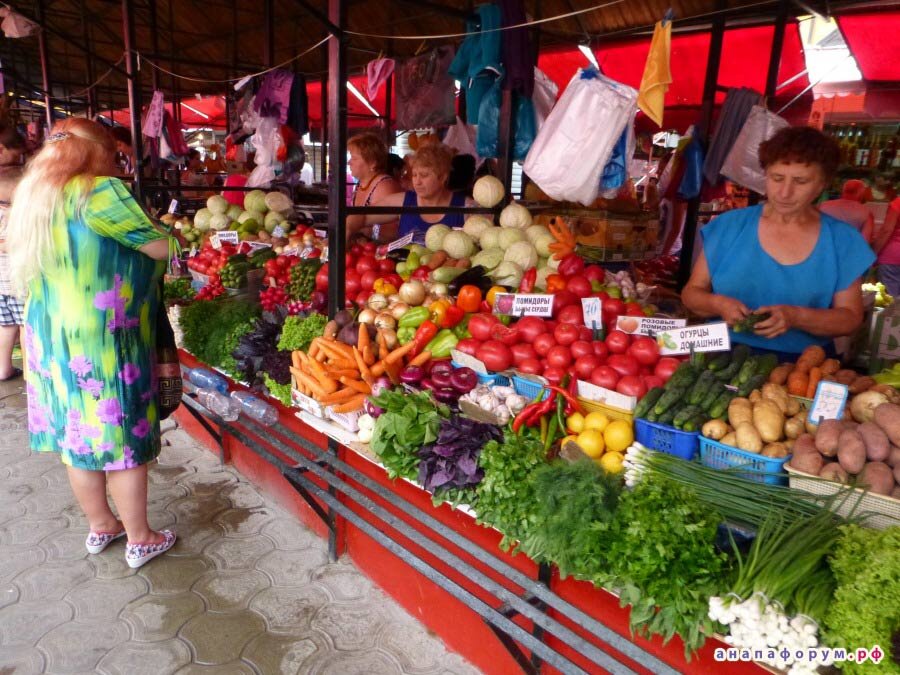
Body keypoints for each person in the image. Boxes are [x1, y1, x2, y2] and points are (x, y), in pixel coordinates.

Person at [7, 118, 176, 568]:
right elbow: (159, 247)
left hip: (50, 335)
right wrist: (172, 237)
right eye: (115, 155)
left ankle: (102, 526)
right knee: (120, 437)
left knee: (76, 433)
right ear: (98, 151)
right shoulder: (99, 191)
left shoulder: (34, 194)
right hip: (104, 337)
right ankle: (141, 537)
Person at [682, 126, 874, 360]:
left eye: (800, 181)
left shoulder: (842, 240)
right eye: (777, 178)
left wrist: (795, 317)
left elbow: (850, 318)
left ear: (822, 184)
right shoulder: (729, 226)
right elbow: (692, 294)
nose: (785, 192)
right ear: (766, 175)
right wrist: (718, 304)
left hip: (804, 365)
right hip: (721, 359)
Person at [368, 143, 468, 242]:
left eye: (424, 175)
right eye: (414, 175)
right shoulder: (403, 202)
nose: (417, 182)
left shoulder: (466, 208)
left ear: (442, 177)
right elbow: (363, 216)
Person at [0, 124, 25, 381]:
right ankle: (32, 373)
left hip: (1, 282)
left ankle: (3, 367)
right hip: (18, 279)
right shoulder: (15, 212)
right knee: (27, 326)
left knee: (6, 324)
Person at [345, 132, 402, 241]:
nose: (349, 162)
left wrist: (357, 228)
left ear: (372, 163)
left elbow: (391, 233)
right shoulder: (361, 184)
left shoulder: (384, 186)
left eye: (354, 158)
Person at [819, 179, 875, 244]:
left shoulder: (823, 206)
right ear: (861, 193)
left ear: (843, 191)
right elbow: (864, 241)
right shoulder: (866, 212)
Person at [873, 197, 900, 298]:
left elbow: (886, 230)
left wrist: (874, 252)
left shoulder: (898, 203)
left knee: (890, 302)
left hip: (892, 258)